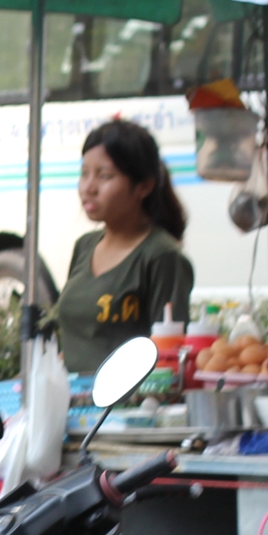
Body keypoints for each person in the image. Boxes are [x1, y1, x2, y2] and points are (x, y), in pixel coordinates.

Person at [55, 117, 193, 377]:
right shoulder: (84, 247)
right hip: (74, 404)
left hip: (127, 407)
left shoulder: (161, 256)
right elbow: (75, 344)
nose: (89, 188)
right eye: (84, 173)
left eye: (105, 176)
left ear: (144, 186)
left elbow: (170, 355)